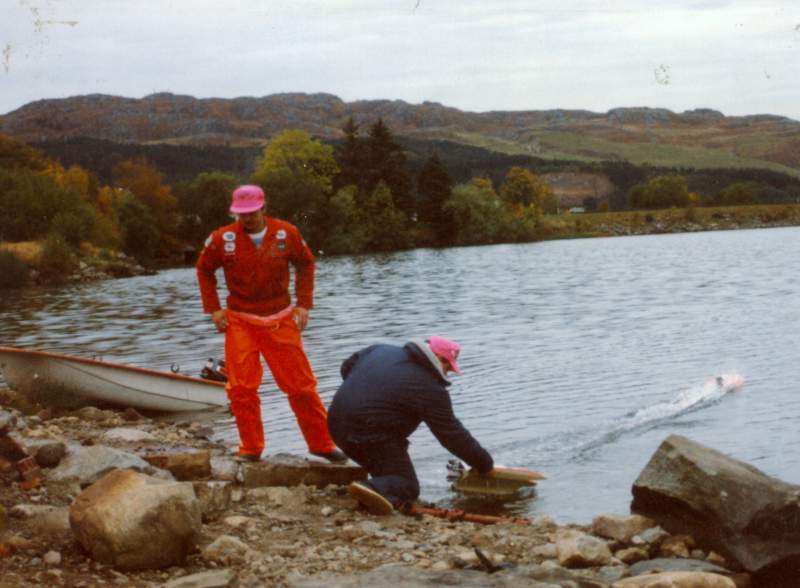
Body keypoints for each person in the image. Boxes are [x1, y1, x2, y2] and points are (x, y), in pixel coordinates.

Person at [196, 184, 345, 464]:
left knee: (301, 386)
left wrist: (304, 303)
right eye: (242, 214)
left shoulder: (287, 233)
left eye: (252, 213)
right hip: (240, 321)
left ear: (264, 208)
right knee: (241, 388)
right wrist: (214, 309)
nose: (247, 218)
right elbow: (204, 270)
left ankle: (322, 444)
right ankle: (250, 448)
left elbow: (306, 264)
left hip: (281, 318)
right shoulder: (222, 238)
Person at [327, 336, 494, 515]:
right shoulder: (430, 389)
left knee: (387, 466)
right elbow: (452, 435)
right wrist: (485, 464)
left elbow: (346, 367)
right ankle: (371, 487)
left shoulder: (379, 349)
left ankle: (378, 485)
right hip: (367, 438)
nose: (447, 374)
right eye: (448, 368)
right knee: (407, 485)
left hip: (335, 425)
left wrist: (365, 394)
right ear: (441, 359)